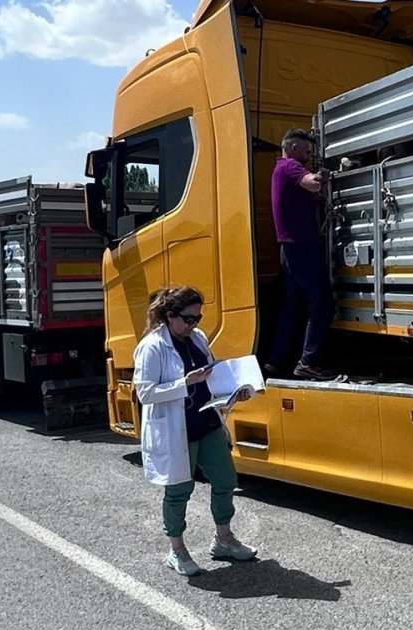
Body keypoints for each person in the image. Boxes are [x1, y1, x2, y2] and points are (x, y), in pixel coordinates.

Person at [134, 285, 257, 576]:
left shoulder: (198, 338)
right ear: (169, 316)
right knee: (179, 491)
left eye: (197, 318)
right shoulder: (152, 346)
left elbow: (210, 377)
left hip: (207, 422)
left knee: (226, 479)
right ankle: (176, 550)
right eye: (188, 319)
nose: (193, 325)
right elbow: (145, 393)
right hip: (177, 429)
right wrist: (184, 383)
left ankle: (223, 539)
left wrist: (233, 391)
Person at [266, 128, 337, 380]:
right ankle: (308, 362)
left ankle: (277, 360)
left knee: (294, 305)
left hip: (288, 248)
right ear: (294, 148)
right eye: (307, 151)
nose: (310, 156)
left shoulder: (278, 170)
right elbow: (313, 183)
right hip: (302, 245)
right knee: (323, 302)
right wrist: (324, 176)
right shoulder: (291, 167)